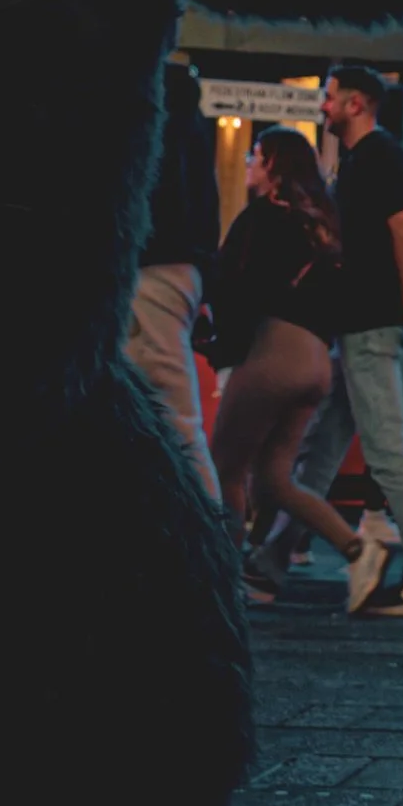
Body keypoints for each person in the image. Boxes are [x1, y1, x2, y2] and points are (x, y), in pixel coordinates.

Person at [272, 64, 403, 617]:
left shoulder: (380, 157)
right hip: (355, 325)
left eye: (329, 98)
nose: (322, 107)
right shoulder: (357, 161)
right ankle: (270, 560)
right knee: (321, 448)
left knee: (388, 452)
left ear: (356, 104)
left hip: (371, 325)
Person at [209, 129, 378, 604]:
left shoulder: (262, 218)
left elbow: (233, 285)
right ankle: (358, 548)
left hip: (274, 352)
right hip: (316, 361)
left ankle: (222, 577)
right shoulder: (321, 223)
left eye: (255, 157)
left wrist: (224, 351)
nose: (248, 164)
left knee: (226, 468)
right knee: (276, 478)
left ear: (273, 165)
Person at [125, 56, 222, 504]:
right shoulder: (189, 115)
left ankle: (205, 530)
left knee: (173, 415)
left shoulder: (151, 105)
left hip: (150, 266)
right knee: (169, 413)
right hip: (178, 269)